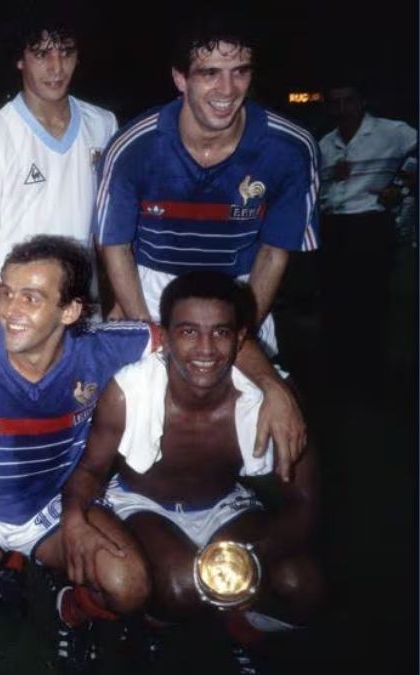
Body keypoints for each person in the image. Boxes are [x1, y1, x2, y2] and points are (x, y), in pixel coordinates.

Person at [0, 236, 304, 670]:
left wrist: (274, 387)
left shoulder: (101, 350)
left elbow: (203, 337)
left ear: (70, 311)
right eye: (7, 292)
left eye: (31, 298)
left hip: (55, 506)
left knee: (129, 587)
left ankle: (70, 608)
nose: (9, 310)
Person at [62, 272, 322, 672]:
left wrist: (249, 558)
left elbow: (304, 503)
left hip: (224, 504)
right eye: (188, 332)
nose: (205, 349)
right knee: (181, 585)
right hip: (142, 503)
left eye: (220, 333)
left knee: (302, 585)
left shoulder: (273, 400)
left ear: (241, 338)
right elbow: (91, 469)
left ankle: (241, 629)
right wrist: (75, 517)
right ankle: (144, 621)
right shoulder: (131, 390)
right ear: (165, 337)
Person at [94, 13, 320, 353]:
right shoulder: (133, 147)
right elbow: (115, 246)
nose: (227, 89)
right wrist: (145, 328)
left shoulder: (291, 149)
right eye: (210, 73)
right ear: (180, 78)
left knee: (266, 387)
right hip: (151, 288)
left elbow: (274, 253)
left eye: (240, 72)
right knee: (138, 385)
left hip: (241, 290)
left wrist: (242, 334)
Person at [0, 8, 117, 323]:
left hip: (77, 312)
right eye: (42, 55)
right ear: (20, 59)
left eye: (66, 53)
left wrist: (121, 300)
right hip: (15, 315)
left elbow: (110, 232)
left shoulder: (103, 125)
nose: (56, 68)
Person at [317, 80, 417, 385]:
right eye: (335, 102)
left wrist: (400, 185)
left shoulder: (391, 132)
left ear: (362, 102)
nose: (342, 109)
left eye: (348, 101)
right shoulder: (325, 144)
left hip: (371, 223)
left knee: (371, 300)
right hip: (335, 226)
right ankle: (343, 372)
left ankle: (373, 373)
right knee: (337, 301)